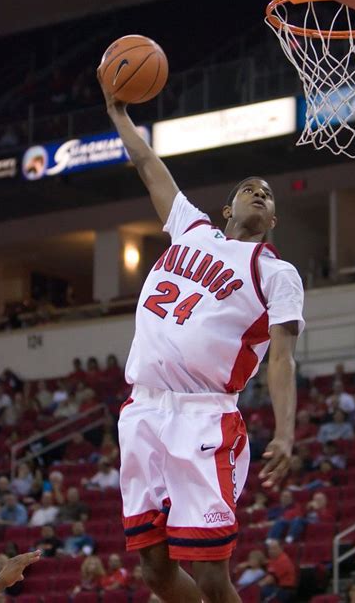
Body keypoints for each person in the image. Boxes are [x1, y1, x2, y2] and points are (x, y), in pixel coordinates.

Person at [98, 73, 305, 603]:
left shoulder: (275, 272)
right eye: (248, 189)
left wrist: (285, 432)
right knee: (154, 571)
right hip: (142, 411)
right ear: (226, 210)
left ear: (273, 218)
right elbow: (150, 167)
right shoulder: (191, 229)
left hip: (204, 416)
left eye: (268, 194)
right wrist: (120, 115)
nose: (259, 192)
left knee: (212, 574)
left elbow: (282, 360)